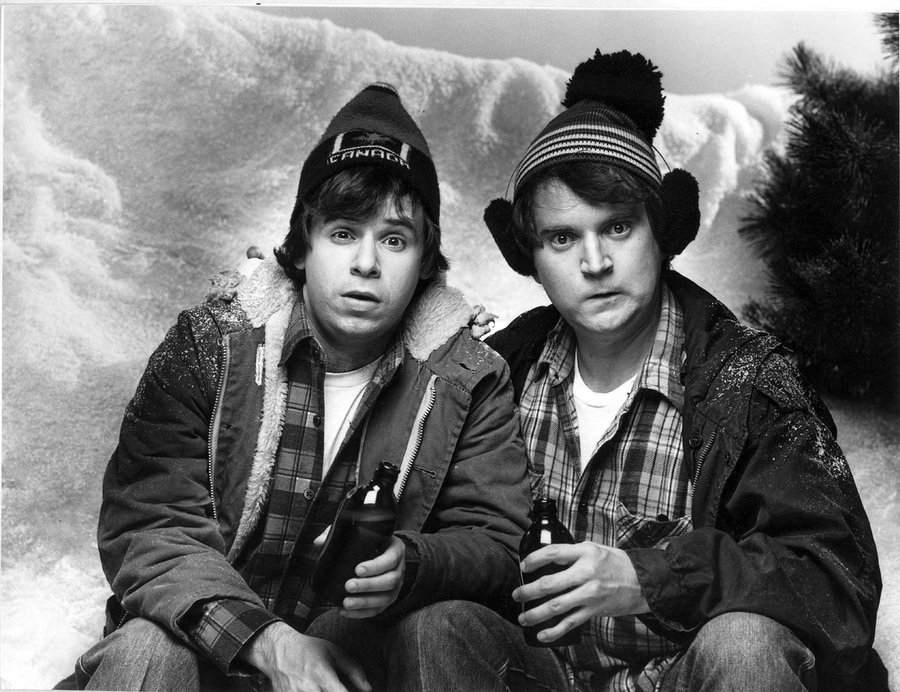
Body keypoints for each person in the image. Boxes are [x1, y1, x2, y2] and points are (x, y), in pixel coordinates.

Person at [387, 50, 883, 691]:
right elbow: (445, 536)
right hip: (547, 676)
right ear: (529, 256)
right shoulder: (501, 371)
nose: (594, 262)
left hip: (684, 678)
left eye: (618, 227)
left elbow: (836, 584)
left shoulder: (748, 384)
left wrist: (649, 577)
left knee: (746, 646)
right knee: (437, 627)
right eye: (563, 238)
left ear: (662, 230)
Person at [56, 82, 532, 691]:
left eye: (394, 240)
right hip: (210, 651)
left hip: (353, 665)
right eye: (343, 233)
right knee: (148, 647)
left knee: (421, 628)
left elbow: (494, 544)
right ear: (304, 245)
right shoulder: (211, 343)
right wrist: (270, 644)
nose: (367, 263)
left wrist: (415, 564)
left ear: (424, 261)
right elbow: (150, 524)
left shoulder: (469, 378)